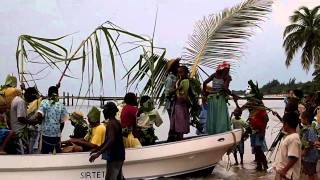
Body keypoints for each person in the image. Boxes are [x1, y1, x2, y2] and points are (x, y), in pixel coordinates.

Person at [89, 102, 125, 180]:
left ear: (109, 112)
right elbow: (108, 140)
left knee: (110, 177)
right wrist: (97, 149)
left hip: (114, 156)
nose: (103, 112)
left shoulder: (110, 124)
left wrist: (98, 153)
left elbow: (111, 140)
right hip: (120, 155)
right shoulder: (117, 122)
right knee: (119, 177)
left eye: (105, 110)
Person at [203, 61, 238, 135]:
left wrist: (205, 94)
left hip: (211, 98)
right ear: (224, 69)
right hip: (219, 99)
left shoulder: (214, 75)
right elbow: (224, 87)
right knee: (220, 117)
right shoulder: (227, 77)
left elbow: (204, 83)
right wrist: (232, 94)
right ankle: (221, 134)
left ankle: (213, 133)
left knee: (213, 116)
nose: (228, 71)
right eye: (227, 69)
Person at [241, 80, 268, 171]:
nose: (249, 100)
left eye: (250, 98)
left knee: (258, 148)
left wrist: (263, 132)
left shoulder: (260, 106)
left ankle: (265, 164)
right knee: (256, 149)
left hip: (259, 130)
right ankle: (259, 166)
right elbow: (240, 109)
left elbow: (265, 119)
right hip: (252, 129)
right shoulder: (249, 104)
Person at [36, 86, 68, 154]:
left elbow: (39, 114)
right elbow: (63, 121)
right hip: (56, 135)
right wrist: (59, 132)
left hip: (46, 133)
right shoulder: (61, 105)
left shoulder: (44, 102)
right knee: (56, 153)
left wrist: (40, 122)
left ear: (48, 94)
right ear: (57, 94)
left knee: (44, 153)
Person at [273, 112, 301, 180]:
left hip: (287, 174)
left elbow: (294, 157)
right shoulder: (290, 137)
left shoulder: (293, 138)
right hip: (284, 173)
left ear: (286, 124)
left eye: (283, 124)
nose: (282, 126)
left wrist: (284, 171)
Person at [169, 66, 190, 141]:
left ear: (186, 73)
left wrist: (177, 91)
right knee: (177, 122)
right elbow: (172, 91)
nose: (179, 74)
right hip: (177, 104)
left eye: (181, 72)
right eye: (178, 72)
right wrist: (176, 89)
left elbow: (186, 95)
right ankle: (179, 139)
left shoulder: (186, 82)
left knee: (181, 122)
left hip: (182, 104)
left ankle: (181, 139)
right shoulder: (178, 81)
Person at [300, 111, 318, 180]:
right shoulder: (312, 129)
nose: (300, 119)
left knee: (310, 174)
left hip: (309, 157)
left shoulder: (306, 130)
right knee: (312, 172)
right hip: (313, 155)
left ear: (306, 119)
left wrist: (303, 153)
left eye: (301, 118)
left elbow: (309, 143)